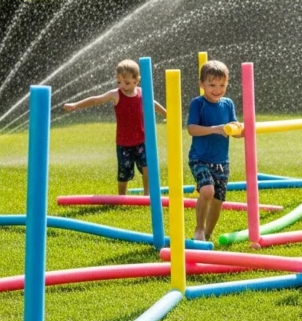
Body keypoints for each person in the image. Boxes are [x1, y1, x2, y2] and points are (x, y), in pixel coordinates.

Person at [63, 59, 166, 195]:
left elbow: (153, 103)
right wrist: (76, 105)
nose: (122, 85)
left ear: (137, 80)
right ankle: (121, 197)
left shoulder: (142, 93)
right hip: (124, 144)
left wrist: (166, 113)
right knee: (124, 174)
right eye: (119, 82)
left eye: (127, 82)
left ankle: (147, 196)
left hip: (142, 141)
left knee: (147, 168)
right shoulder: (116, 95)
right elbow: (95, 99)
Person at [187, 60, 240, 242]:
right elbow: (192, 129)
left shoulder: (228, 104)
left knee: (218, 201)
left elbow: (234, 129)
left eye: (222, 85)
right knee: (207, 191)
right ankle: (199, 229)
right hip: (199, 158)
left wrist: (239, 130)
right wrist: (215, 128)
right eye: (211, 85)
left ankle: (208, 236)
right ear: (201, 84)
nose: (217, 89)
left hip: (221, 161)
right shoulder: (198, 104)